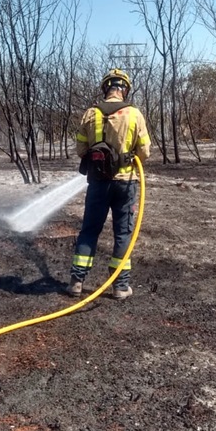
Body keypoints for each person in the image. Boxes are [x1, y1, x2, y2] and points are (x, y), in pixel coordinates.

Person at [67, 68, 151, 300]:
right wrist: (128, 160)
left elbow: (81, 149)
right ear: (124, 89)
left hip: (98, 183)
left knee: (89, 230)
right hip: (125, 184)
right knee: (123, 233)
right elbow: (145, 150)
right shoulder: (135, 114)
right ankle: (120, 287)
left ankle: (76, 282)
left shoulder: (90, 114)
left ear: (106, 88)